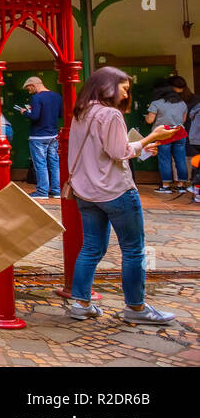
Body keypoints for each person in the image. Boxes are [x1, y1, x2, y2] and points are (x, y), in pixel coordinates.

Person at [66, 66, 177, 325]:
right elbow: (118, 152)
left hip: (86, 192)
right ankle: (136, 308)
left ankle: (81, 303)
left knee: (92, 247)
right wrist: (151, 137)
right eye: (124, 88)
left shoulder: (82, 112)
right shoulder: (110, 114)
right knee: (134, 250)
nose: (127, 94)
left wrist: (138, 145)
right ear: (108, 86)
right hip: (115, 190)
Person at [20, 76, 63, 200]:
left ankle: (42, 192)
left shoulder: (36, 98)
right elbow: (60, 114)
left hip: (38, 136)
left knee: (40, 164)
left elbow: (34, 117)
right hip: (53, 135)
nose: (29, 91)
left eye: (29, 88)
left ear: (33, 85)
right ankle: (56, 191)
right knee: (54, 164)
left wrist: (25, 112)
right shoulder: (57, 96)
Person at [145, 81, 189, 194]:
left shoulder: (156, 103)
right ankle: (181, 185)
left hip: (163, 133)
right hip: (179, 133)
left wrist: (146, 117)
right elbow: (183, 120)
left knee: (165, 159)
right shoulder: (182, 103)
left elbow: (150, 120)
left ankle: (166, 186)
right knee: (180, 159)